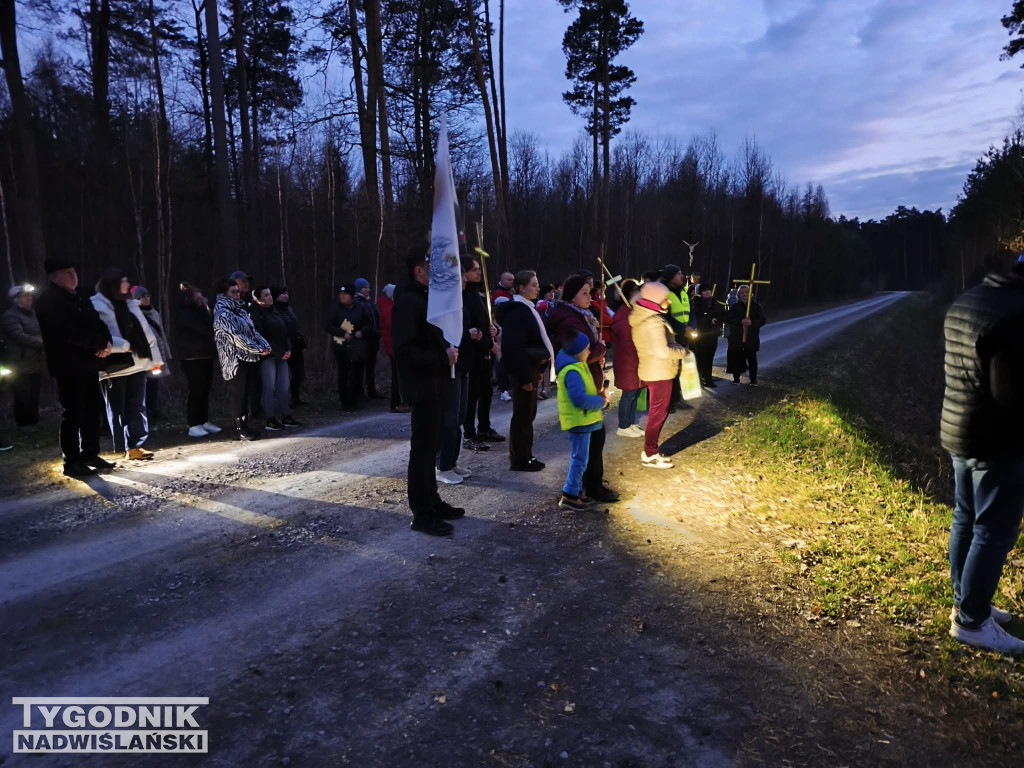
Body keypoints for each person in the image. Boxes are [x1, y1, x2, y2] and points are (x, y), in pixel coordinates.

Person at [941, 255, 1024, 654]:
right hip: (997, 440)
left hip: (958, 426)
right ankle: (973, 621)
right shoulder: (1015, 313)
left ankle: (967, 603)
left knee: (967, 519)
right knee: (995, 529)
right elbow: (1010, 394)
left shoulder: (969, 298)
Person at [391, 247, 464, 536]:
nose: (435, 268)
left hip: (438, 384)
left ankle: (433, 500)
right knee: (422, 451)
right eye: (429, 264)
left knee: (431, 447)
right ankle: (422, 513)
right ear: (418, 271)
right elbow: (404, 350)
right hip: (424, 387)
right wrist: (441, 358)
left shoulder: (426, 299)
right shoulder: (408, 302)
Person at [35, 258, 114, 476]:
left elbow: (98, 323)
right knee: (73, 411)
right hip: (68, 364)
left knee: (92, 409)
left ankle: (90, 453)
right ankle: (71, 460)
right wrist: (96, 343)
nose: (74, 276)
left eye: (74, 271)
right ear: (54, 277)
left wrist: (106, 341)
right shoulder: (49, 300)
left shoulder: (81, 296)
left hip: (88, 362)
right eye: (67, 272)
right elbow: (64, 332)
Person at [545, 274, 616, 501]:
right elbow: (581, 353)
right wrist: (600, 349)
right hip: (584, 381)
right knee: (591, 441)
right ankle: (586, 488)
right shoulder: (570, 320)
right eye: (585, 292)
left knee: (593, 440)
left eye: (590, 291)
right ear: (572, 295)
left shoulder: (578, 315)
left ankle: (585, 486)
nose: (590, 296)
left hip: (589, 377)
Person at [92, 268, 164, 460]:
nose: (128, 285)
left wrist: (155, 360)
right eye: (123, 281)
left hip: (137, 362)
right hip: (114, 366)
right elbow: (98, 336)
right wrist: (122, 346)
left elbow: (146, 334)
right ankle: (122, 445)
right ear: (113, 284)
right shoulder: (97, 306)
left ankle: (136, 445)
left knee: (137, 405)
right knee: (117, 408)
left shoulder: (130, 305)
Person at [497, 270, 553, 472]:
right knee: (522, 416)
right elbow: (514, 348)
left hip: (530, 370)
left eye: (537, 284)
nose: (538, 288)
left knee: (528, 415)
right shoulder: (517, 311)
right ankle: (520, 459)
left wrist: (538, 369)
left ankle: (526, 455)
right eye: (533, 285)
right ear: (522, 288)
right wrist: (524, 377)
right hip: (523, 373)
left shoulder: (527, 308)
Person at [630, 280, 689, 469]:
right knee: (658, 414)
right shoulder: (652, 321)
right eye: (665, 299)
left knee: (658, 412)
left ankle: (651, 450)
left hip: (655, 370)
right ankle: (650, 453)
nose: (669, 302)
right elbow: (662, 351)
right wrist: (683, 352)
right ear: (656, 300)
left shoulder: (648, 316)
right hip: (659, 372)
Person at [556, 331, 610, 510]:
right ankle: (570, 493)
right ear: (577, 350)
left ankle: (577, 490)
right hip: (579, 420)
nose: (589, 352)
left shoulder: (579, 365)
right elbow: (579, 399)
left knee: (581, 459)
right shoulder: (572, 370)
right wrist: (600, 401)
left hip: (584, 419)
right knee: (579, 459)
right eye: (586, 349)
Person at [436, 262, 479, 484]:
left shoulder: (463, 301)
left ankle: (451, 461)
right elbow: (448, 336)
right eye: (461, 275)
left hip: (463, 366)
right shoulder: (445, 305)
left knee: (460, 416)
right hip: (450, 367)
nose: (465, 279)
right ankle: (442, 465)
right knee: (450, 418)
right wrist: (469, 336)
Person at [213, 278, 270, 440]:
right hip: (234, 360)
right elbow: (236, 337)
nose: (238, 294)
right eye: (233, 292)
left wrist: (265, 346)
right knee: (239, 393)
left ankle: (246, 426)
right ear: (224, 294)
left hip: (249, 357)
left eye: (238, 291)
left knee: (247, 392)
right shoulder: (222, 313)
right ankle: (240, 429)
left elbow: (253, 332)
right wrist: (258, 349)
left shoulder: (241, 311)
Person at [173, 282, 220, 438]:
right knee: (196, 389)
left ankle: (204, 420)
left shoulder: (202, 310)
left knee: (206, 388)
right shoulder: (184, 312)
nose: (200, 297)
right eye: (197, 294)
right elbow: (199, 329)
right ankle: (193, 423)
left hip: (205, 354)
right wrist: (203, 310)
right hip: (191, 356)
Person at [251, 285, 299, 431]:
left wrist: (288, 349)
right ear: (259, 299)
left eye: (270, 294)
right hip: (268, 356)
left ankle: (286, 415)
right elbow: (261, 336)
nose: (270, 297)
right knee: (269, 387)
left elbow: (285, 332)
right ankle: (270, 419)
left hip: (283, 354)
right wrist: (278, 352)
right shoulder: (257, 314)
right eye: (266, 295)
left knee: (284, 386)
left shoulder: (276, 311)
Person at [460, 256, 495, 452]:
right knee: (471, 394)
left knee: (486, 390)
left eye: (478, 270)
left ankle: (484, 427)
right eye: (474, 270)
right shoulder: (464, 295)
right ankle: (469, 434)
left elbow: (485, 320)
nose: (478, 273)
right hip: (472, 351)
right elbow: (469, 324)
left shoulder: (477, 295)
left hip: (484, 350)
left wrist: (493, 330)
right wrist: (481, 336)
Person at [2, 284, 44, 428]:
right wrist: (42, 343)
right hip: (20, 364)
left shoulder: (33, 314)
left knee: (34, 394)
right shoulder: (10, 316)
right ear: (16, 299)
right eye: (25, 296)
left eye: (30, 296)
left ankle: (34, 422)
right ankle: (24, 424)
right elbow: (18, 336)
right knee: (22, 395)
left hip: (35, 362)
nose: (29, 299)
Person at [327, 284, 372, 413]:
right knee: (343, 373)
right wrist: (342, 333)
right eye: (340, 294)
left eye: (345, 294)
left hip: (355, 345)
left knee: (355, 373)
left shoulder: (360, 308)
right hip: (340, 345)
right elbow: (328, 325)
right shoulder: (335, 309)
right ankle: (345, 402)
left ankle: (354, 399)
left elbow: (368, 323)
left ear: (351, 295)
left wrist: (361, 332)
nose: (342, 296)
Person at [131, 286, 172, 421]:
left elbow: (161, 335)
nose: (146, 299)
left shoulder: (154, 313)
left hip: (157, 354)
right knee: (143, 385)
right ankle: (145, 413)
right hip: (144, 355)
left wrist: (166, 353)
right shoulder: (134, 314)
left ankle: (153, 410)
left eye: (147, 296)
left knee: (154, 383)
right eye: (142, 297)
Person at [611, 279, 644, 438]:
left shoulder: (633, 311)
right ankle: (623, 425)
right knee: (629, 393)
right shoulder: (623, 315)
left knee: (635, 393)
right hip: (628, 361)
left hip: (635, 360)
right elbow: (628, 338)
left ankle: (630, 422)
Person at [660, 264, 691, 409]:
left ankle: (676, 398)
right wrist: (682, 328)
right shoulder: (663, 293)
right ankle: (668, 402)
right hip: (670, 338)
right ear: (671, 277)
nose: (682, 276)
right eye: (679, 274)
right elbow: (665, 317)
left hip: (683, 337)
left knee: (679, 369)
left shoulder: (683, 292)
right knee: (669, 370)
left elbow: (691, 312)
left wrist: (691, 326)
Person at [273, 287, 307, 407]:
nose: (286, 296)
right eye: (282, 294)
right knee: (285, 374)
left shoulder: (288, 307)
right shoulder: (275, 309)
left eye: (286, 293)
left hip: (295, 343)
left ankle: (295, 397)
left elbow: (294, 324)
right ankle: (283, 400)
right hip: (284, 344)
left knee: (298, 372)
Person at [726, 284, 766, 386]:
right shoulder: (735, 307)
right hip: (738, 337)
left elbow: (762, 320)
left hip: (751, 337)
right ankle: (736, 379)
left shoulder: (756, 306)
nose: (744, 294)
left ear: (750, 294)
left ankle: (753, 380)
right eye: (742, 293)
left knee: (752, 359)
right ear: (739, 295)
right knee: (737, 359)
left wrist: (752, 323)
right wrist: (740, 322)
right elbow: (729, 319)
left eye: (746, 292)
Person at [378, 283, 409, 414]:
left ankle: (400, 401)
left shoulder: (390, 307)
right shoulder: (390, 309)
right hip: (394, 347)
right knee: (398, 376)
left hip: (394, 346)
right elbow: (394, 327)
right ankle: (396, 403)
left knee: (399, 375)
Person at [690, 283, 724, 388]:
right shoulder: (696, 304)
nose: (707, 292)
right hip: (700, 335)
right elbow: (696, 318)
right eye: (704, 290)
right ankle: (699, 379)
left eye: (708, 289)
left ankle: (708, 379)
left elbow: (723, 315)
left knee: (709, 357)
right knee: (700, 357)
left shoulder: (715, 303)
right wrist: (709, 320)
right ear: (699, 293)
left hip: (713, 334)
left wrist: (718, 320)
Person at [354, 277, 383, 399]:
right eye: (365, 287)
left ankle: (372, 390)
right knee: (359, 368)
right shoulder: (356, 302)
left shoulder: (371, 302)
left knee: (371, 367)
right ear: (359, 289)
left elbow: (377, 316)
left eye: (368, 287)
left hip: (373, 338)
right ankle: (359, 392)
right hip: (362, 340)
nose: (368, 290)